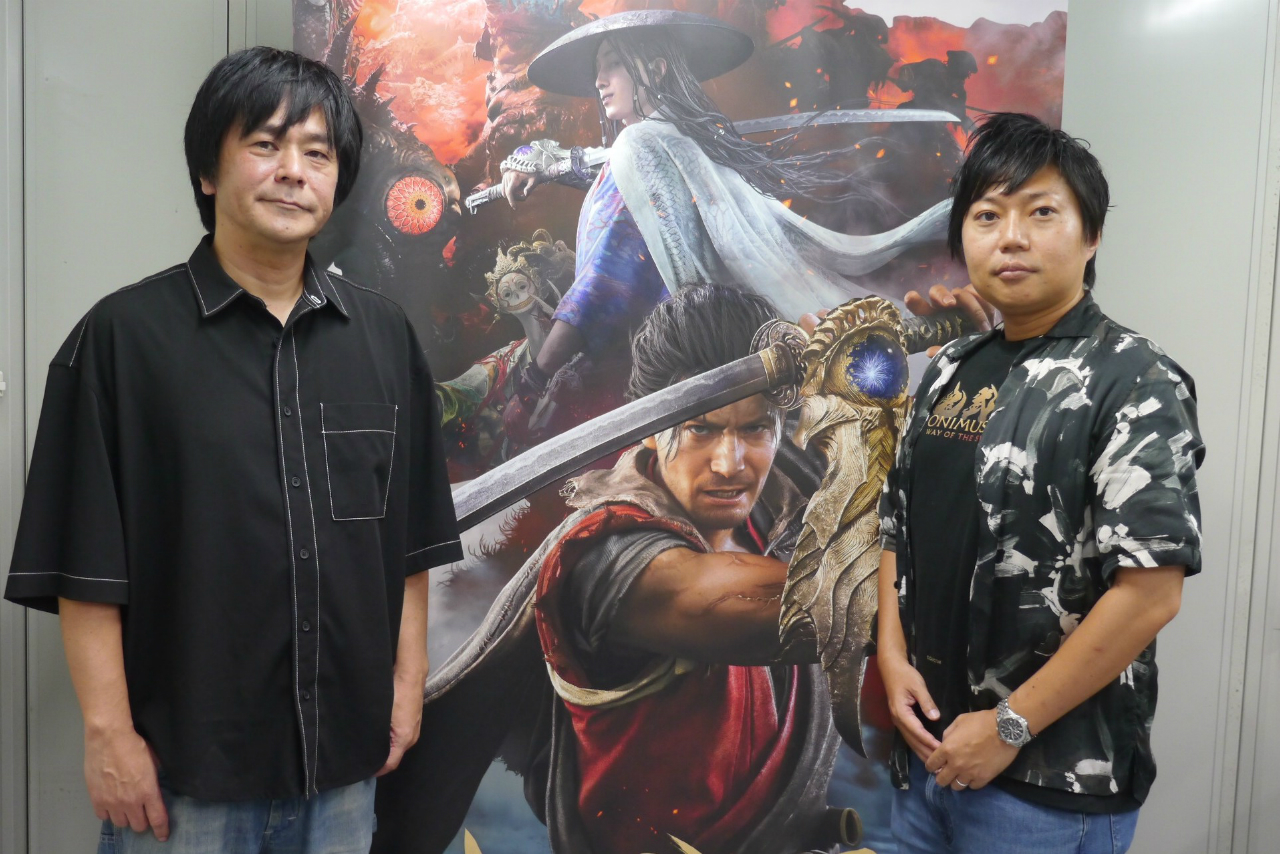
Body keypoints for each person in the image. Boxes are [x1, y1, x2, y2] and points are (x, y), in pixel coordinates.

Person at [3, 47, 462, 853]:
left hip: (343, 769)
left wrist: (406, 683)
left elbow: (411, 542)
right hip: (182, 782)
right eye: (265, 144)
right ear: (208, 171)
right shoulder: (121, 342)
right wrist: (108, 736)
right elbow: (84, 566)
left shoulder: (385, 339)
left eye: (316, 153)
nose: (293, 172)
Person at [875, 112, 1205, 853]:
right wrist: (892, 660)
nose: (1011, 237)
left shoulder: (1133, 379)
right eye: (987, 215)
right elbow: (898, 529)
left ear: (1092, 237)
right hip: (924, 764)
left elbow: (1150, 592)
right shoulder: (950, 371)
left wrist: (1007, 726)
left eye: (1041, 212)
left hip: (1046, 788)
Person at [496, 10, 952, 444]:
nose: (599, 80)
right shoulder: (670, 147)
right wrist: (531, 158)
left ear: (656, 70)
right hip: (678, 360)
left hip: (647, 372)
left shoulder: (643, 148)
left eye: (613, 64)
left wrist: (534, 380)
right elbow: (594, 165)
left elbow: (602, 285)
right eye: (599, 68)